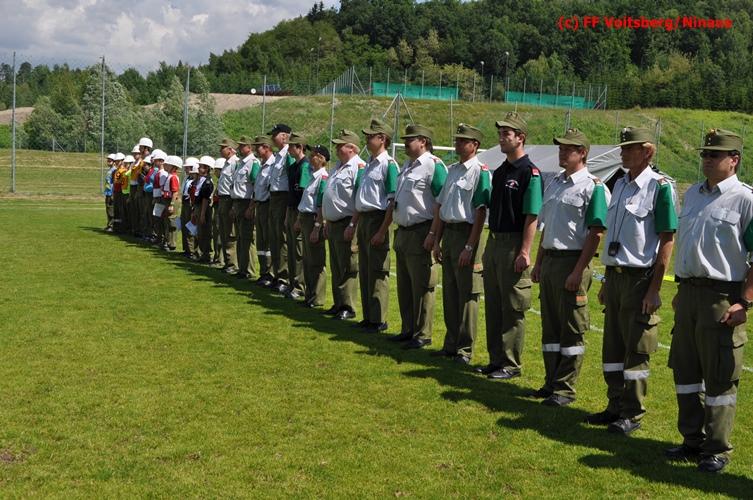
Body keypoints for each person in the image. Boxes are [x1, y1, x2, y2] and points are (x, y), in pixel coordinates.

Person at [666, 129, 752, 473]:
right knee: (685, 370)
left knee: (719, 376)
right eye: (704, 154)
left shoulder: (745, 199)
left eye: (714, 155)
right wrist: (681, 291)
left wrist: (745, 302)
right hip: (689, 293)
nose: (707, 159)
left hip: (722, 297)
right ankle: (692, 439)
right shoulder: (693, 194)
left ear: (734, 160)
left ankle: (716, 448)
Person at [585, 126, 677, 435]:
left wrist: (654, 288)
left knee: (636, 348)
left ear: (647, 152)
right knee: (612, 346)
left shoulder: (659, 187)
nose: (623, 152)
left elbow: (667, 239)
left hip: (640, 280)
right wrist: (606, 281)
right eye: (623, 147)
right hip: (616, 276)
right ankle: (614, 405)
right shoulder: (620, 185)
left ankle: (632, 412)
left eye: (630, 148)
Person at [530, 128, 610, 406]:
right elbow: (547, 228)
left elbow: (596, 233)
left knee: (571, 329)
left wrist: (578, 271)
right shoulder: (555, 183)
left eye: (568, 149)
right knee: (550, 328)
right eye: (561, 148)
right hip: (551, 261)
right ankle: (551, 382)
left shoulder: (593, 187)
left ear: (583, 153)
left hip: (573, 261)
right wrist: (539, 262)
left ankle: (565, 388)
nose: (562, 152)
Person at [477, 112, 542, 374]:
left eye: (507, 134)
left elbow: (532, 215)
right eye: (500, 133)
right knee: (493, 304)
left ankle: (510, 363)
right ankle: (495, 359)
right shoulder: (501, 171)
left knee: (513, 306)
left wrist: (524, 250)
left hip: (513, 243)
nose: (501, 138)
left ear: (520, 138)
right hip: (494, 242)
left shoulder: (529, 172)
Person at [430, 124, 490, 358]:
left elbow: (480, 212)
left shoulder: (480, 171)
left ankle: (464, 349)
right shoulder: (453, 170)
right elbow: (442, 206)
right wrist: (437, 240)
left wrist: (470, 246)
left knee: (467, 294)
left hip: (467, 233)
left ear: (475, 145)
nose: (457, 144)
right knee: (450, 292)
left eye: (463, 141)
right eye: (457, 140)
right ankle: (451, 343)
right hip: (450, 233)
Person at [389, 125, 447, 350]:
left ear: (423, 141)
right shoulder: (407, 165)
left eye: (410, 139)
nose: (405, 142)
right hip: (403, 231)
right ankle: (408, 328)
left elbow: (441, 203)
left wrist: (434, 234)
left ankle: (423, 333)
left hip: (421, 231)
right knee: (404, 285)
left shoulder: (433, 166)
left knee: (422, 285)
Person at [355, 118, 398, 333]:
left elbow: (392, 201)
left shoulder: (388, 165)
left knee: (378, 271)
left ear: (382, 139)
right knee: (365, 269)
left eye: (370, 136)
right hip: (364, 219)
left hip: (377, 219)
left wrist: (382, 230)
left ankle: (379, 319)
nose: (367, 139)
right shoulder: (369, 163)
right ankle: (368, 316)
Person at [321, 129, 364, 321]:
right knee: (336, 265)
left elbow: (359, 198)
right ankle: (338, 303)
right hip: (334, 222)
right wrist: (327, 220)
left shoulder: (358, 167)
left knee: (348, 265)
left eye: (340, 146)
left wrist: (353, 224)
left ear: (352, 148)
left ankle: (348, 306)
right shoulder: (338, 166)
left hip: (347, 222)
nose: (336, 149)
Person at [296, 145, 330, 308]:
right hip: (305, 217)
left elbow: (320, 205)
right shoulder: (313, 176)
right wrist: (298, 219)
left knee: (316, 260)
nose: (311, 157)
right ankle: (309, 294)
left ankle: (317, 297)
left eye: (315, 155)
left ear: (322, 159)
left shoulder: (323, 177)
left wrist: (317, 227)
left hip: (313, 219)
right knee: (307, 259)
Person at [268, 124, 295, 293]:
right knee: (275, 237)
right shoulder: (278, 155)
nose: (272, 138)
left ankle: (284, 277)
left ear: (284, 136)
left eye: (275, 135)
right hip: (274, 197)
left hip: (283, 197)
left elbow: (291, 181)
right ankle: (277, 273)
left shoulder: (288, 155)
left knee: (282, 239)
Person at [284, 133, 311, 299]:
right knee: (291, 249)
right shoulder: (293, 166)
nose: (288, 149)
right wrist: (288, 215)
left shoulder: (305, 166)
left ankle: (299, 285)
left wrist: (299, 218)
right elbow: (291, 194)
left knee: (299, 251)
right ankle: (292, 282)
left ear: (300, 147)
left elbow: (303, 194)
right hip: (291, 210)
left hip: (299, 211)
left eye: (291, 146)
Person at [231, 136, 259, 280]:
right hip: (238, 202)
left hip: (246, 202)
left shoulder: (253, 163)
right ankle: (242, 268)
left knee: (247, 237)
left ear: (249, 147)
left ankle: (249, 270)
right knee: (240, 237)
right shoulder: (240, 163)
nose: (240, 148)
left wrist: (251, 207)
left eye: (242, 146)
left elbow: (255, 186)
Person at [251, 136, 276, 286]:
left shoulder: (273, 164)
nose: (255, 149)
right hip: (259, 204)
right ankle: (263, 271)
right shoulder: (262, 165)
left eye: (258, 147)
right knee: (261, 241)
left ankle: (270, 273)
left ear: (266, 148)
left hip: (267, 205)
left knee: (268, 240)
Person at [217, 139, 239, 273]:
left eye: (223, 148)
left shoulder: (235, 163)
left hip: (229, 199)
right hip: (222, 199)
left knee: (230, 233)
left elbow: (235, 183)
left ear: (230, 149)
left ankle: (232, 264)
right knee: (223, 231)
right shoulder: (226, 163)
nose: (220, 150)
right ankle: (227, 262)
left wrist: (233, 205)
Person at [192, 156, 216, 264]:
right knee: (199, 232)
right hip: (198, 207)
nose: (198, 168)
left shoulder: (207, 182)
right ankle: (202, 253)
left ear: (206, 168)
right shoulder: (200, 180)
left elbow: (205, 199)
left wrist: (202, 214)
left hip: (204, 208)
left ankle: (206, 254)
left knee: (204, 232)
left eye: (201, 167)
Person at [161, 155, 183, 251]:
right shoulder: (169, 175)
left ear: (173, 166)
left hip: (171, 200)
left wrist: (172, 204)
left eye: (168, 164)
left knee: (171, 222)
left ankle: (172, 243)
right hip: (167, 200)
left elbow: (175, 192)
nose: (165, 166)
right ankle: (167, 241)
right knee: (167, 221)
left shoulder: (173, 177)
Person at [211, 158, 226, 266]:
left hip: (220, 206)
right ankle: (217, 256)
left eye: (216, 170)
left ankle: (220, 258)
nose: (215, 172)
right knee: (216, 232)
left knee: (219, 233)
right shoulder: (220, 181)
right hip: (217, 207)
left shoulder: (223, 181)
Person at [104, 153, 117, 232]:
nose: (108, 162)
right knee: (108, 209)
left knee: (111, 210)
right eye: (108, 160)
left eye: (110, 160)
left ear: (114, 162)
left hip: (111, 193)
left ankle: (112, 226)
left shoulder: (114, 170)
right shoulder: (110, 170)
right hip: (108, 192)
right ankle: (109, 224)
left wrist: (112, 193)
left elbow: (114, 183)